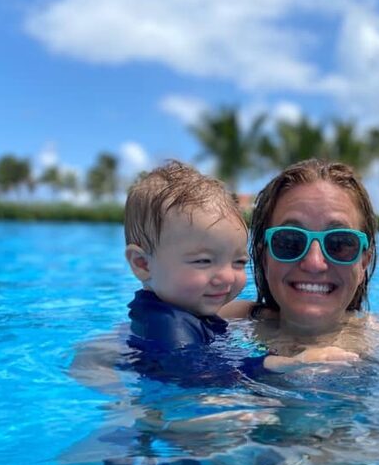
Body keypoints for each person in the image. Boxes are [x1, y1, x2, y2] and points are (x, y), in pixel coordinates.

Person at [121, 159, 356, 382]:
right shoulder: (168, 323)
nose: (226, 277)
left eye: (239, 263)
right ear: (142, 264)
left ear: (365, 260)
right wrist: (288, 363)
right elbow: (193, 373)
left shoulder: (191, 314)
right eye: (203, 261)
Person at [220, 158, 379, 354]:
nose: (314, 263)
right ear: (264, 258)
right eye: (289, 241)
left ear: (363, 262)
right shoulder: (225, 320)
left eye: (339, 243)